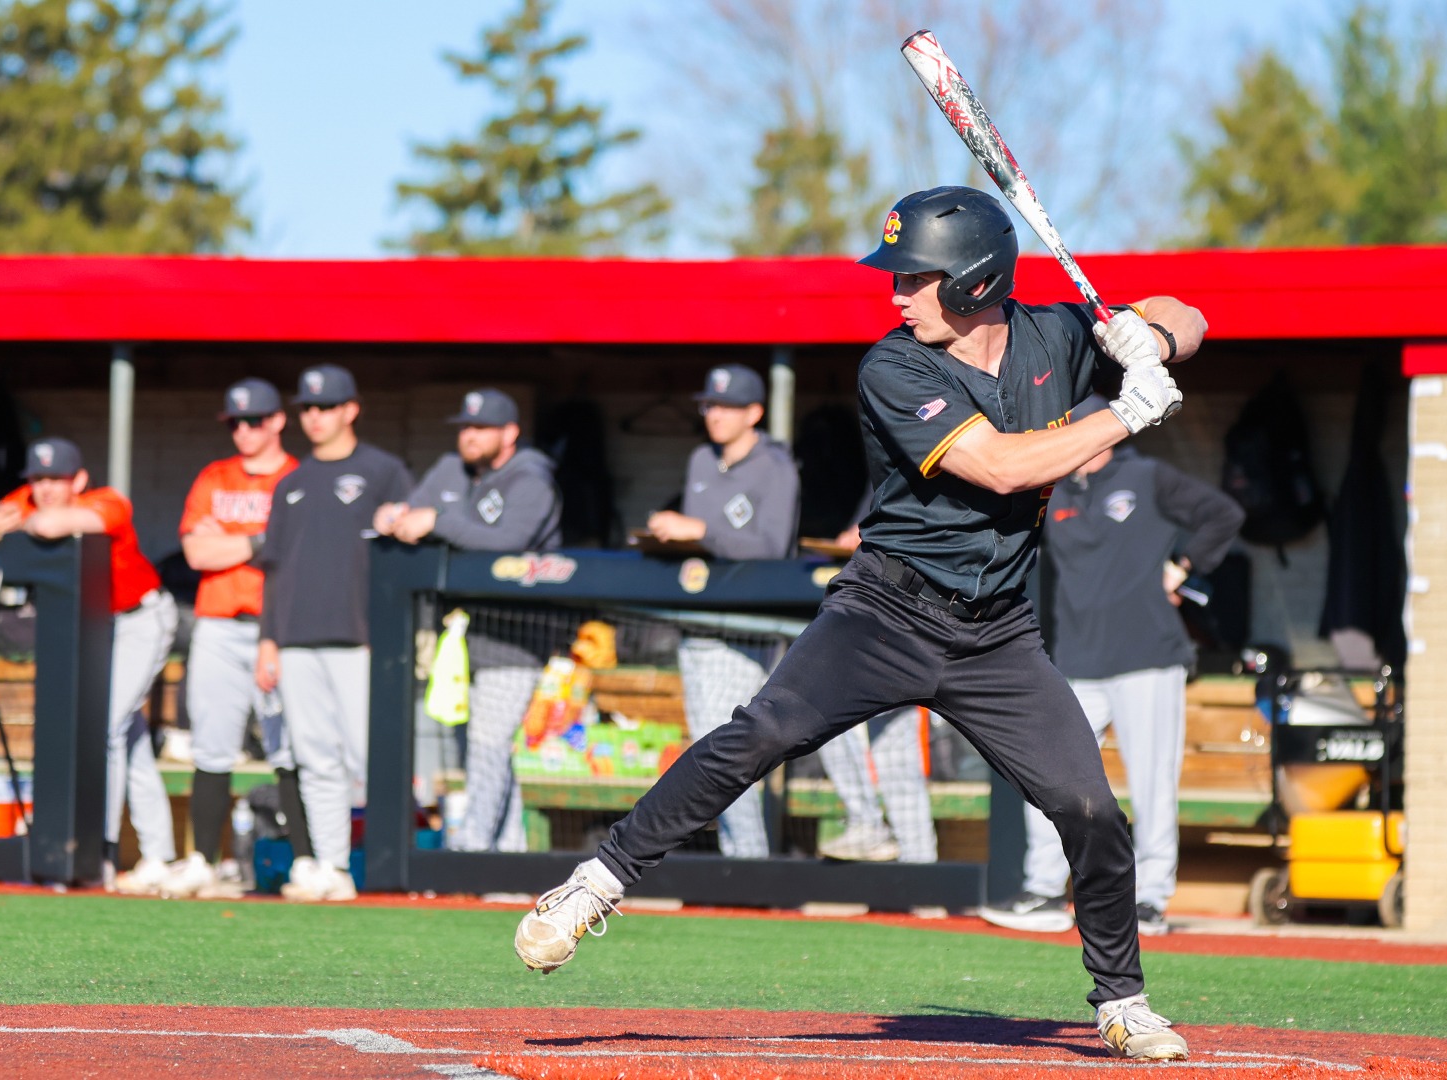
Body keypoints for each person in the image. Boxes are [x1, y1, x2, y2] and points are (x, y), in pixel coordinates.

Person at [512, 185, 1205, 1062]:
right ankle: (594, 884)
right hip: (885, 611)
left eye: (915, 278)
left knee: (1091, 810)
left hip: (996, 634)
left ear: (975, 282)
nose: (895, 294)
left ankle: (1123, 999)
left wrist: (1152, 334)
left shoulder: (1060, 335)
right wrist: (1127, 408)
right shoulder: (895, 367)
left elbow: (1190, 315)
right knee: (759, 733)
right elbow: (999, 469)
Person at [981, 395, 1243, 936]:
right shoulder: (1052, 493)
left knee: (1152, 783)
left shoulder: (1147, 476)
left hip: (1148, 656)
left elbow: (1224, 515)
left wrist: (1185, 567)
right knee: (1050, 775)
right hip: (1076, 659)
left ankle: (1150, 898)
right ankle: (1045, 889)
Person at [0, 436, 179, 892]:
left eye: (56, 478)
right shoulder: (24, 502)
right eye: (38, 479)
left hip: (140, 616)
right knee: (126, 737)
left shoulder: (107, 500)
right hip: (95, 627)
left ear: (77, 478)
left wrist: (15, 525)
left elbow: (56, 524)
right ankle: (159, 855)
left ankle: (102, 851)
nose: (46, 488)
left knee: (106, 728)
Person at [375, 388, 562, 853]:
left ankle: (473, 850)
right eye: (465, 427)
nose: (470, 436)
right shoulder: (451, 469)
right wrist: (393, 514)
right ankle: (509, 859)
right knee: (482, 750)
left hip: (518, 634)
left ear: (510, 433)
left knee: (488, 743)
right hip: (460, 638)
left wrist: (436, 519)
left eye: (481, 428)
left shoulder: (532, 478)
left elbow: (508, 542)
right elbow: (414, 510)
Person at [255, 364, 412, 902]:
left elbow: (402, 556)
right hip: (296, 637)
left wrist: (392, 634)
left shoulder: (383, 471)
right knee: (315, 757)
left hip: (360, 636)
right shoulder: (292, 482)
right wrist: (268, 639)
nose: (315, 417)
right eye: (307, 408)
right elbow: (273, 567)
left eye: (326, 407)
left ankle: (397, 866)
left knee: (372, 758)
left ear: (351, 409)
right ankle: (332, 868)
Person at [645, 363, 799, 858]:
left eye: (728, 406)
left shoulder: (775, 464)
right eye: (710, 404)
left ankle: (750, 865)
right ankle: (742, 862)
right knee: (712, 754)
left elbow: (772, 546)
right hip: (701, 620)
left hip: (749, 625)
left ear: (755, 412)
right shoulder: (700, 460)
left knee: (729, 754)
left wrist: (700, 532)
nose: (715, 414)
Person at [163, 378, 307, 900]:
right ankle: (204, 858)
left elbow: (300, 554)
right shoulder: (214, 476)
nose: (244, 430)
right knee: (212, 743)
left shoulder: (298, 477)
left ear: (277, 421)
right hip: (220, 624)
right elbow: (198, 554)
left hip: (281, 629)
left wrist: (233, 544)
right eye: (236, 422)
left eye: (255, 420)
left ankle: (308, 862)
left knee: (289, 745)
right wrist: (260, 541)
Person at [816, 501, 936, 864]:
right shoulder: (879, 476)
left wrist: (872, 535)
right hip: (868, 622)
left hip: (913, 624)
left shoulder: (931, 469)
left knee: (897, 758)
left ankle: (923, 881)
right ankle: (867, 825)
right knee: (824, 724)